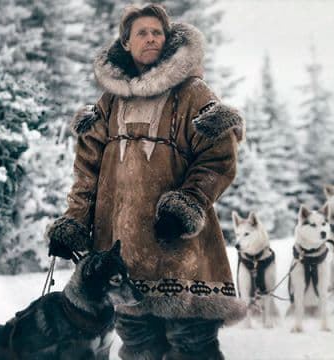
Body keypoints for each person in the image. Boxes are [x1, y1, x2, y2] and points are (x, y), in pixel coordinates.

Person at [47, 4, 246, 360]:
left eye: (157, 32)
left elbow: (219, 156)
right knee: (139, 350)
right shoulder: (108, 103)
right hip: (123, 262)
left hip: (182, 255)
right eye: (142, 32)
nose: (151, 38)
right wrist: (75, 222)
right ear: (126, 43)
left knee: (193, 349)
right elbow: (86, 172)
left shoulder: (193, 94)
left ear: (167, 40)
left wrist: (187, 205)